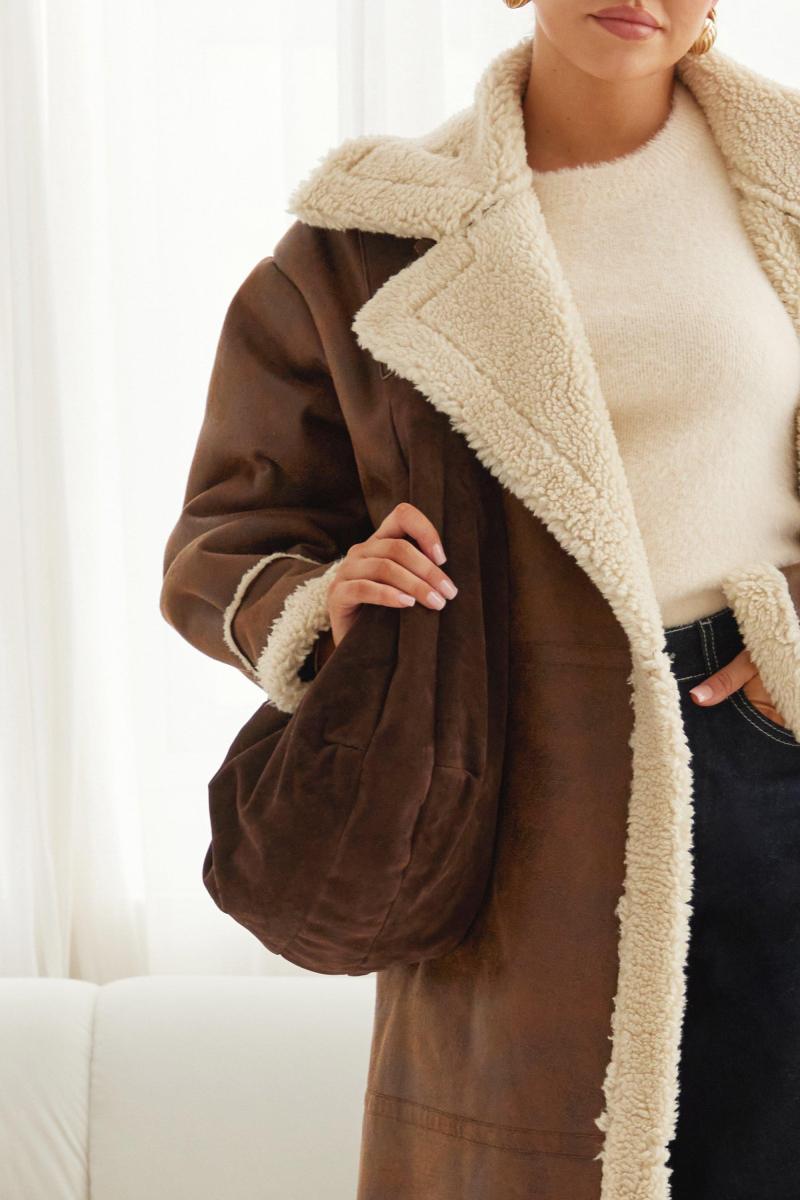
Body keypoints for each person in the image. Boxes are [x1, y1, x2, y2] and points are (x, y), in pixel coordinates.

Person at [160, 4, 800, 1197]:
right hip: (505, 772)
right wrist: (323, 598)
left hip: (766, 744)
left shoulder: (786, 175)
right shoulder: (370, 233)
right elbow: (228, 528)